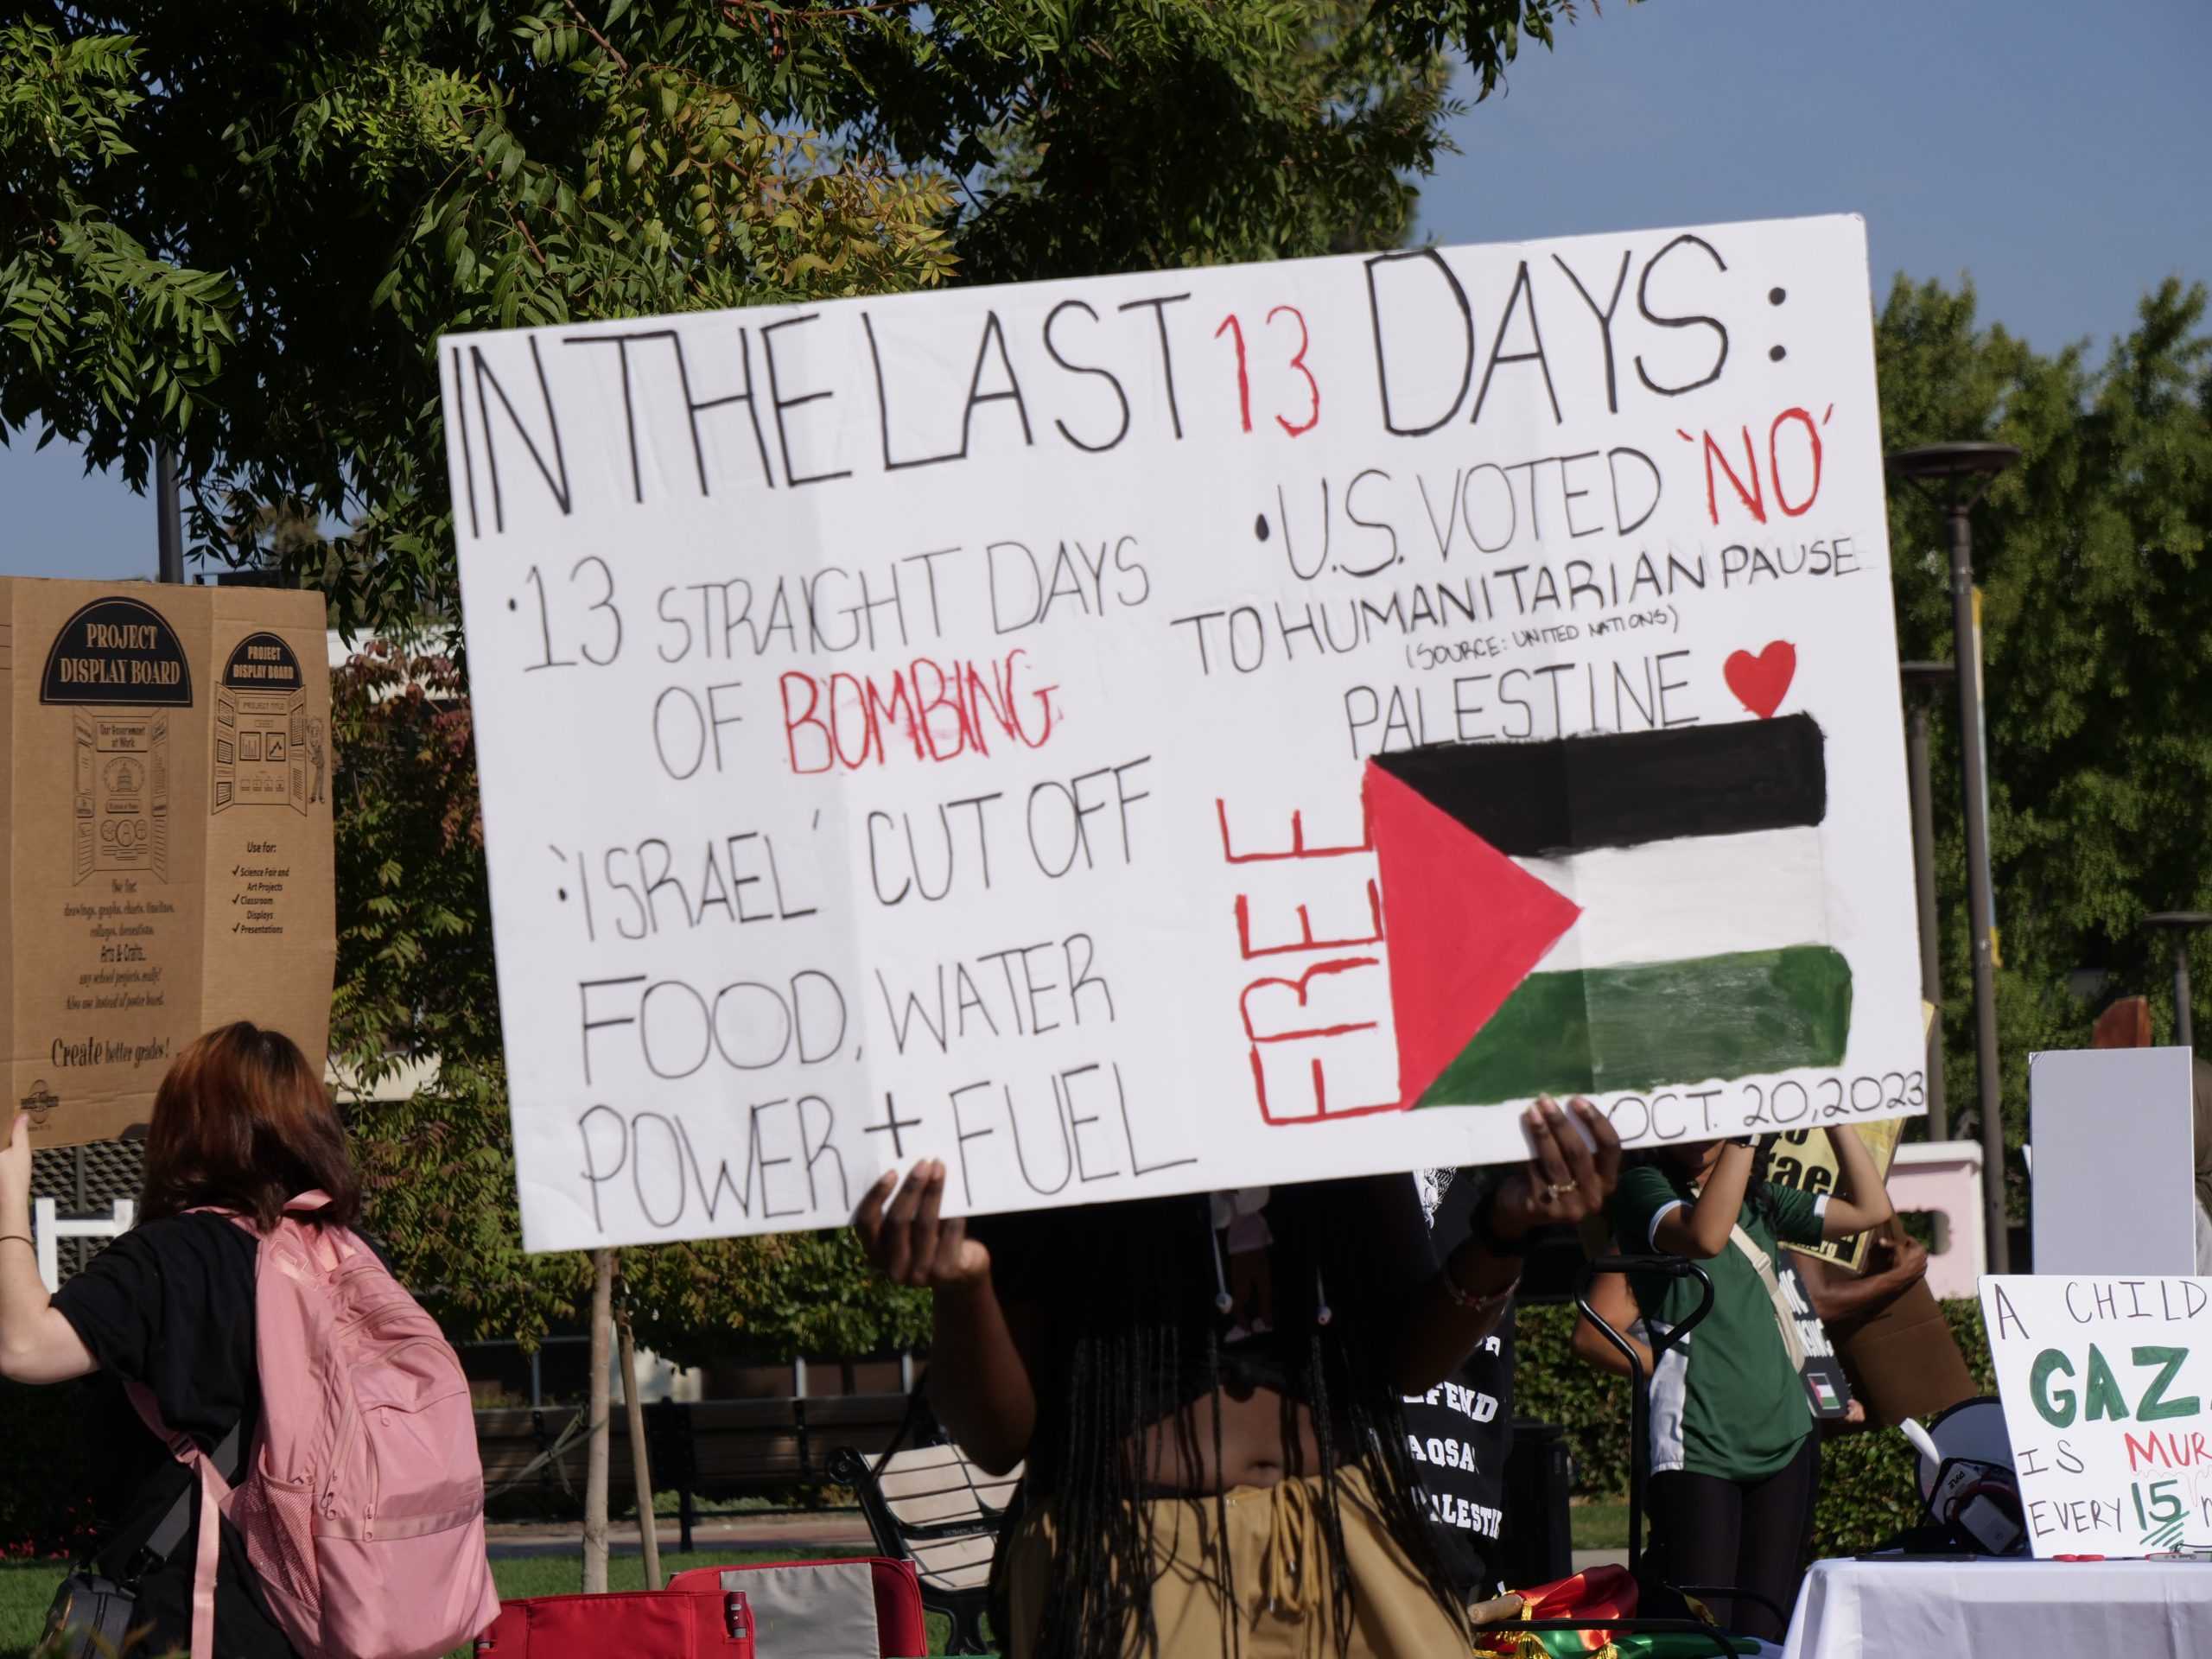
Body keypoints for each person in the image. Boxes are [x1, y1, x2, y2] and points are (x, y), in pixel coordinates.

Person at [855, 1096, 1623, 1659]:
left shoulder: (1328, 1096)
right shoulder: (1049, 1106)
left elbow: (1405, 1362)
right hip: (1135, 1563)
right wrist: (961, 1287)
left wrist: (1504, 1233)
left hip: (1345, 1535)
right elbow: (997, 1441)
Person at [0, 1024, 364, 1659]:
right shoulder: (346, 1256)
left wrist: (7, 1201)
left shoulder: (176, 1256)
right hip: (324, 1612)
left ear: (189, 1130)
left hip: (192, 1617)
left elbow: (25, 1347)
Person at [1606, 1128, 1891, 1643]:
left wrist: (1837, 1120)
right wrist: (1746, 1136)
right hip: (1700, 1443)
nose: (1698, 1130)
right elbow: (1706, 1237)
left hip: (1786, 1435)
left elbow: (1870, 1210)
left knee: (1767, 1629)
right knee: (1706, 1633)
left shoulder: (1761, 1198)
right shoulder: (1643, 1187)